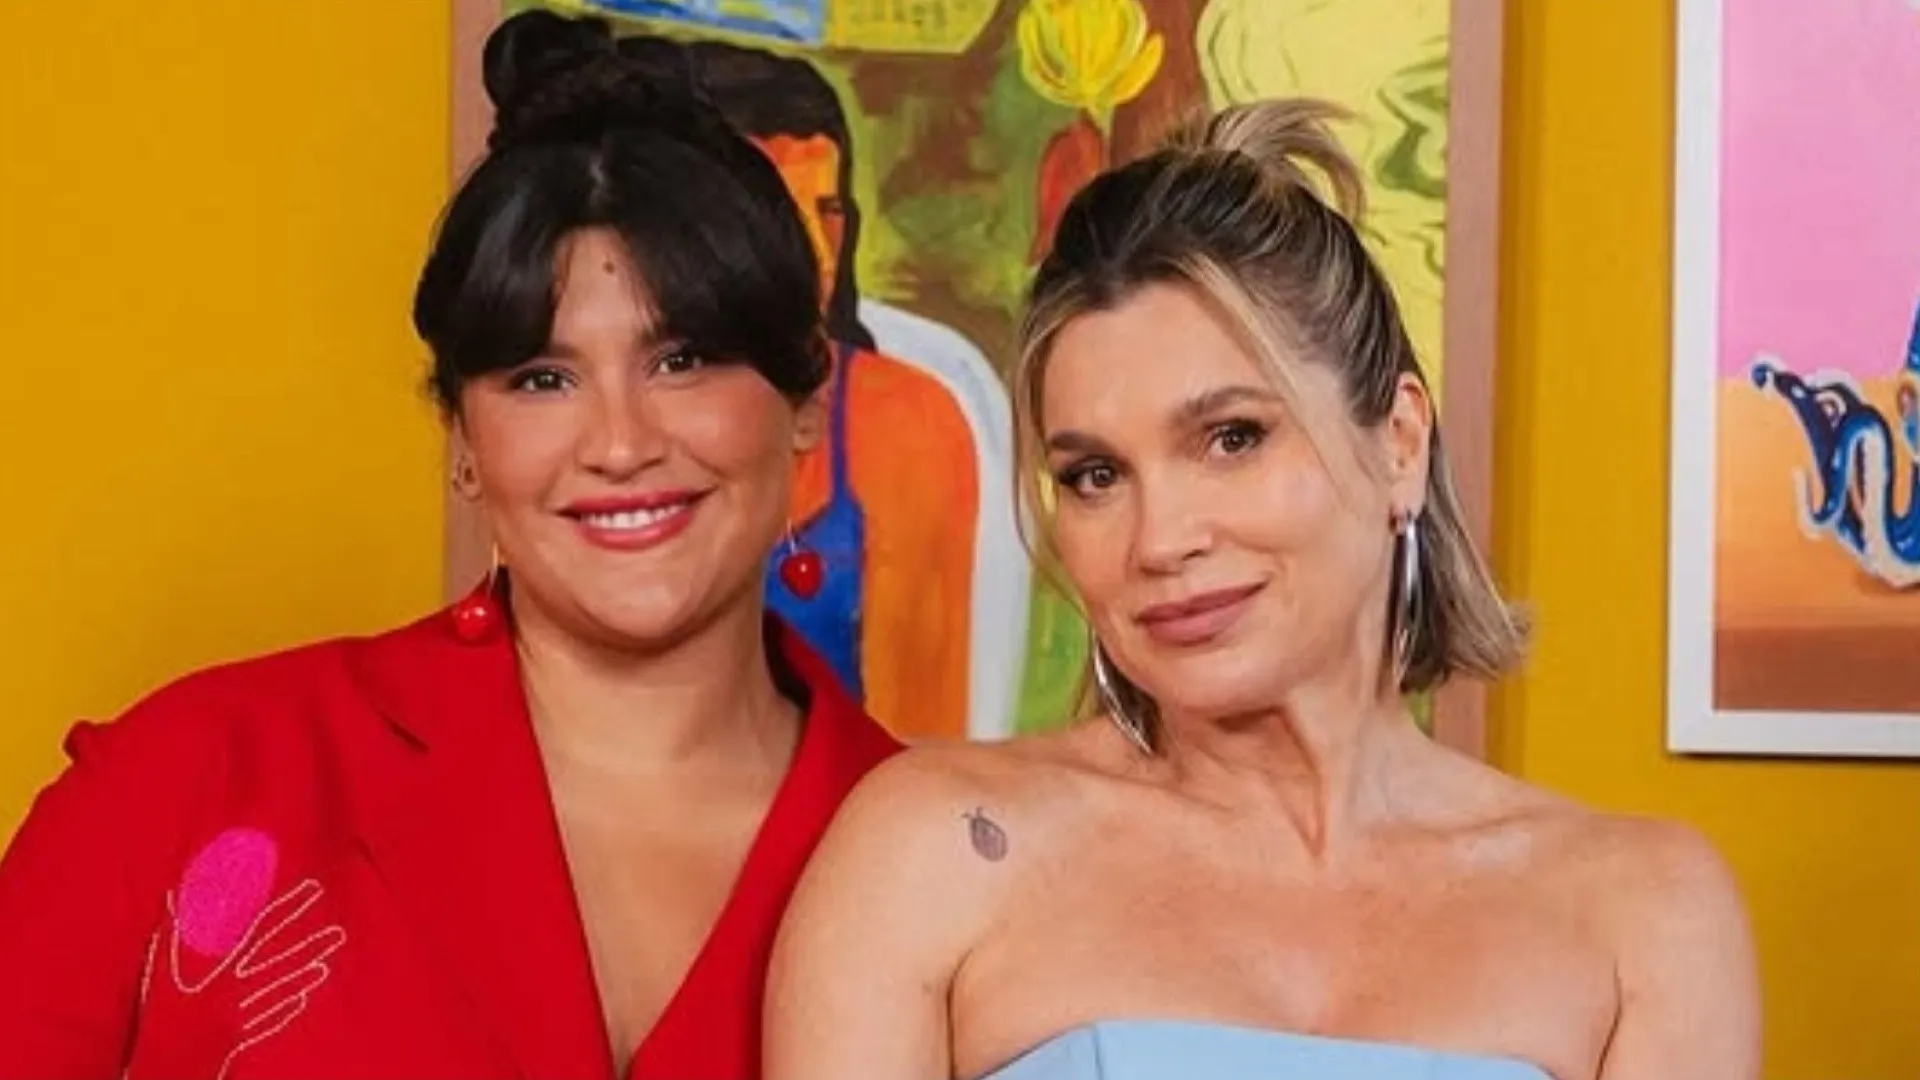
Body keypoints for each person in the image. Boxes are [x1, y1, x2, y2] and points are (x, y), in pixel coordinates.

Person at [763, 101, 1761, 1080]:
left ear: (1400, 443)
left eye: (1232, 438)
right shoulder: (935, 853)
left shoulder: (1644, 916)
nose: (1161, 540)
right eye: (1096, 475)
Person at [0, 10, 898, 1080]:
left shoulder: (940, 853)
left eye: (683, 361)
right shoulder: (192, 779)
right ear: (464, 442)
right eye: (542, 379)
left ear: (805, 400)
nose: (619, 443)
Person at [620, 36, 988, 741]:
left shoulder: (906, 420)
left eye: (829, 211)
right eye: (785, 221)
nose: (818, 256)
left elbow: (921, 750)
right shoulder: (599, 429)